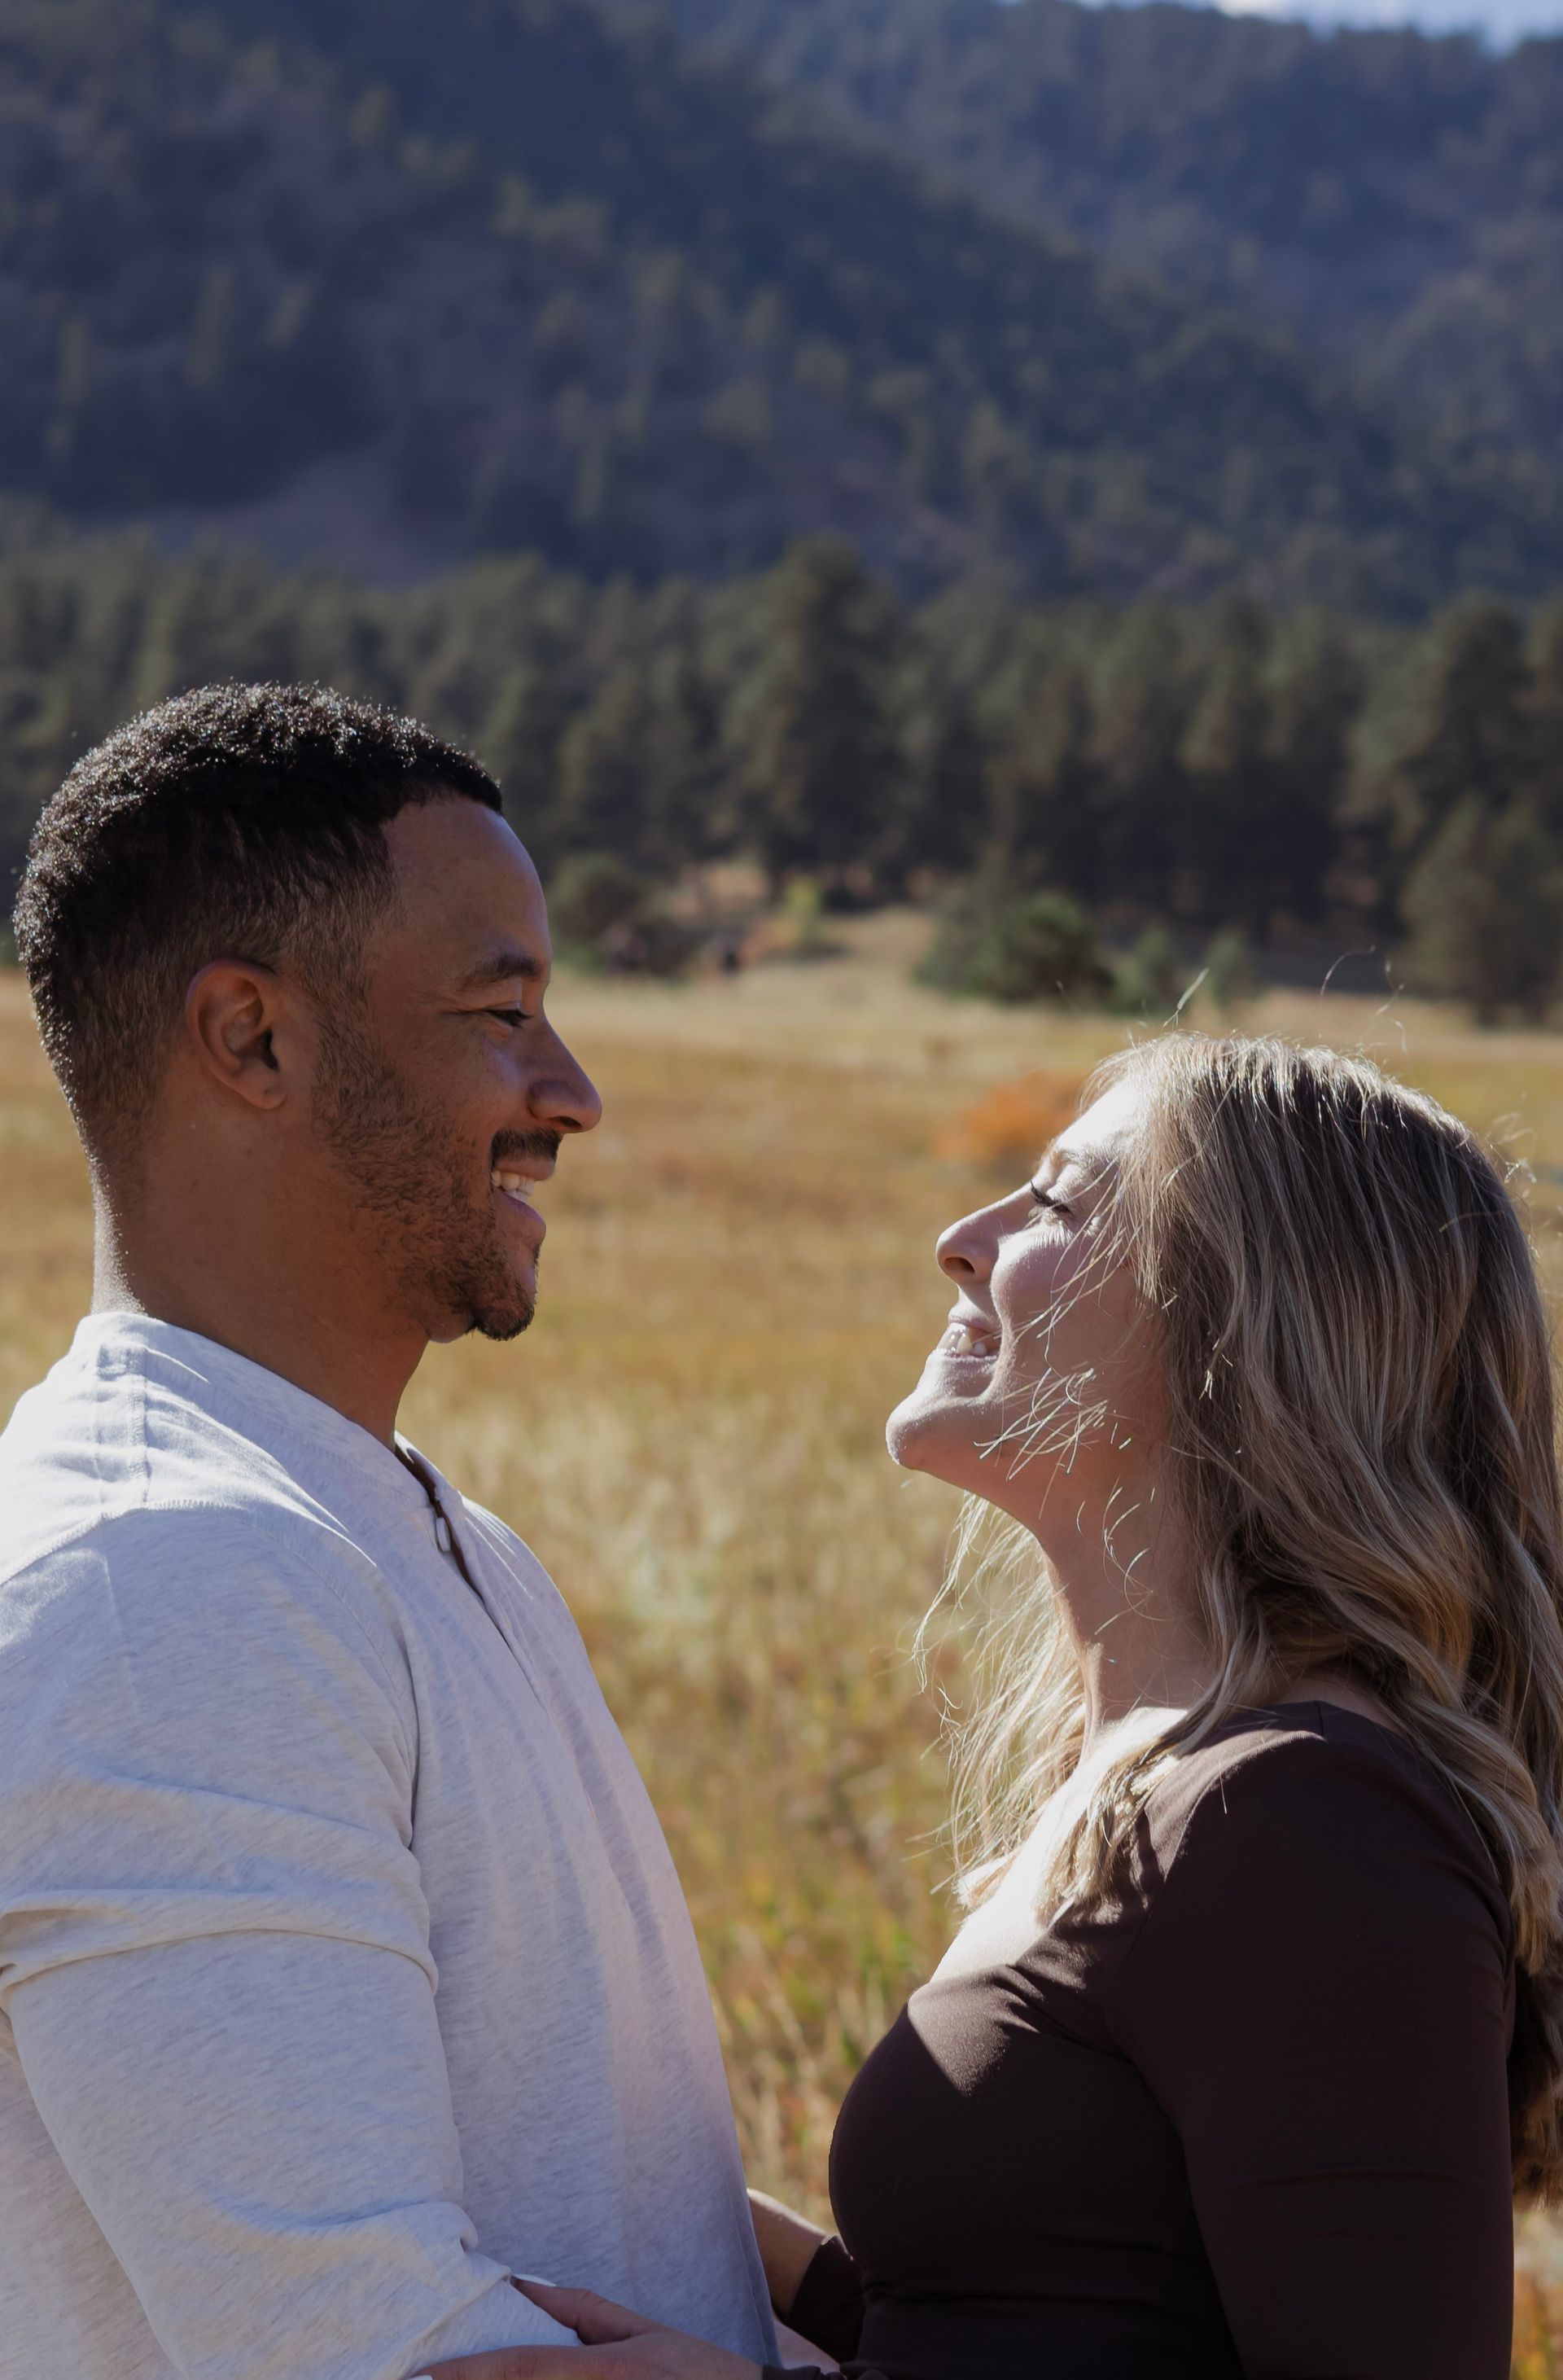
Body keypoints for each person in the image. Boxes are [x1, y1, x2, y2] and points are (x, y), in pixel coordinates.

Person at [472, 1034, 1563, 2380]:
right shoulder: (1166, 1783)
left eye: (1053, 1204)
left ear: (1239, 1322)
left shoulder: (1304, 1817)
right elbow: (1054, 2330)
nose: (960, 1239)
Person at [0, 683, 777, 2380]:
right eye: (503, 1014)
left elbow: (545, 2146)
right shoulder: (167, 1583)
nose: (568, 1093)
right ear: (255, 1039)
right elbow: (376, 2351)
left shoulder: (419, 1537)